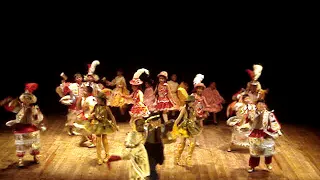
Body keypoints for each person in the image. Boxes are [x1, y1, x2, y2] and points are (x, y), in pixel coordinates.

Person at [0, 83, 46, 167]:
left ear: (31, 99)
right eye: (25, 98)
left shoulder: (34, 108)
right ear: (23, 98)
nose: (27, 100)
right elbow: (12, 108)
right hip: (21, 127)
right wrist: (8, 103)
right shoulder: (19, 106)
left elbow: (38, 117)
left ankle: (35, 157)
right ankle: (20, 160)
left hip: (31, 127)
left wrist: (39, 123)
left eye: (29, 98)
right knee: (20, 145)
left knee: (34, 144)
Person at [75, 92, 118, 165]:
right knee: (98, 141)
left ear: (102, 100)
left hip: (104, 125)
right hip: (97, 124)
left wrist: (115, 124)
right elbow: (91, 113)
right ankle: (99, 157)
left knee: (105, 140)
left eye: (98, 99)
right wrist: (90, 116)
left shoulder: (106, 108)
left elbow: (112, 116)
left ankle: (107, 155)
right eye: (96, 99)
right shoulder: (96, 106)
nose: (96, 100)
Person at [247, 100, 282, 173]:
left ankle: (268, 163)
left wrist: (277, 130)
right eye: (259, 104)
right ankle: (252, 166)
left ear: (265, 105)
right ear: (256, 105)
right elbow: (248, 119)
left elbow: (274, 122)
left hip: (266, 133)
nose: (261, 105)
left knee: (268, 150)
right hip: (255, 133)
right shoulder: (252, 112)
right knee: (255, 151)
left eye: (262, 104)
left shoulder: (269, 114)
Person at [173, 95, 202, 166]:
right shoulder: (184, 109)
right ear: (188, 102)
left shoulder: (194, 108)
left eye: (193, 102)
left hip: (192, 127)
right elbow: (179, 118)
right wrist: (174, 125)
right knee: (182, 144)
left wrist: (200, 116)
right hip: (185, 127)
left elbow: (197, 116)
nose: (193, 103)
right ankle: (177, 158)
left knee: (193, 143)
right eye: (191, 102)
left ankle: (188, 159)